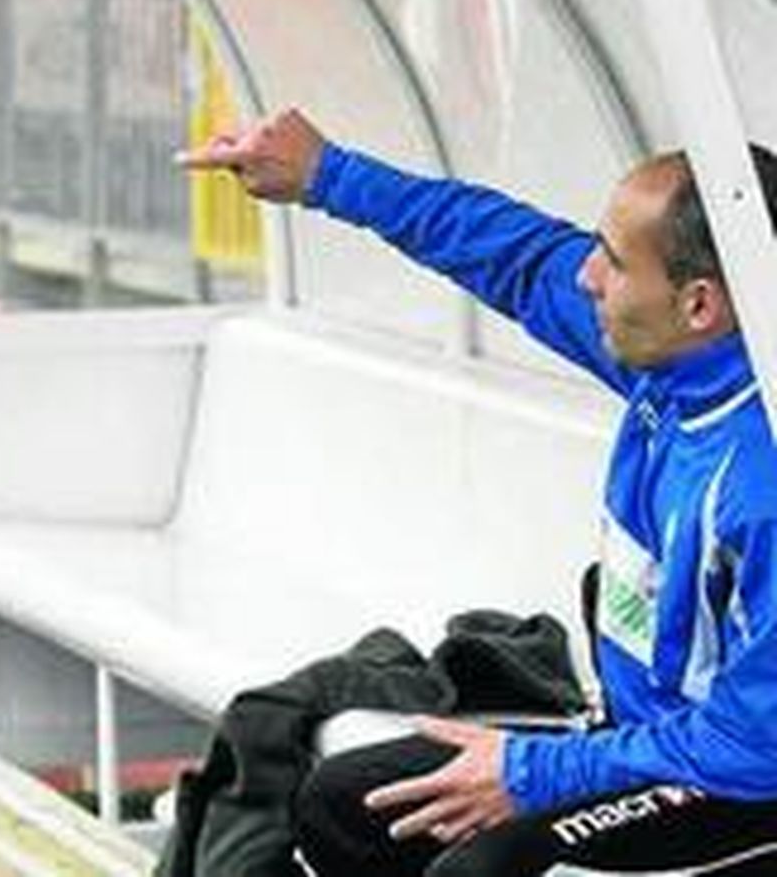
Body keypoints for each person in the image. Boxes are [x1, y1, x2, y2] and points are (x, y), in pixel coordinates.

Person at [181, 109, 777, 874]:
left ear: (700, 304)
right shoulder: (673, 368)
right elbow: (518, 256)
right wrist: (328, 174)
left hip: (737, 780)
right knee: (347, 804)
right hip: (641, 735)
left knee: (481, 870)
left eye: (613, 260)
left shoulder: (760, 479)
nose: (587, 276)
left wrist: (534, 772)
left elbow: (752, 744)